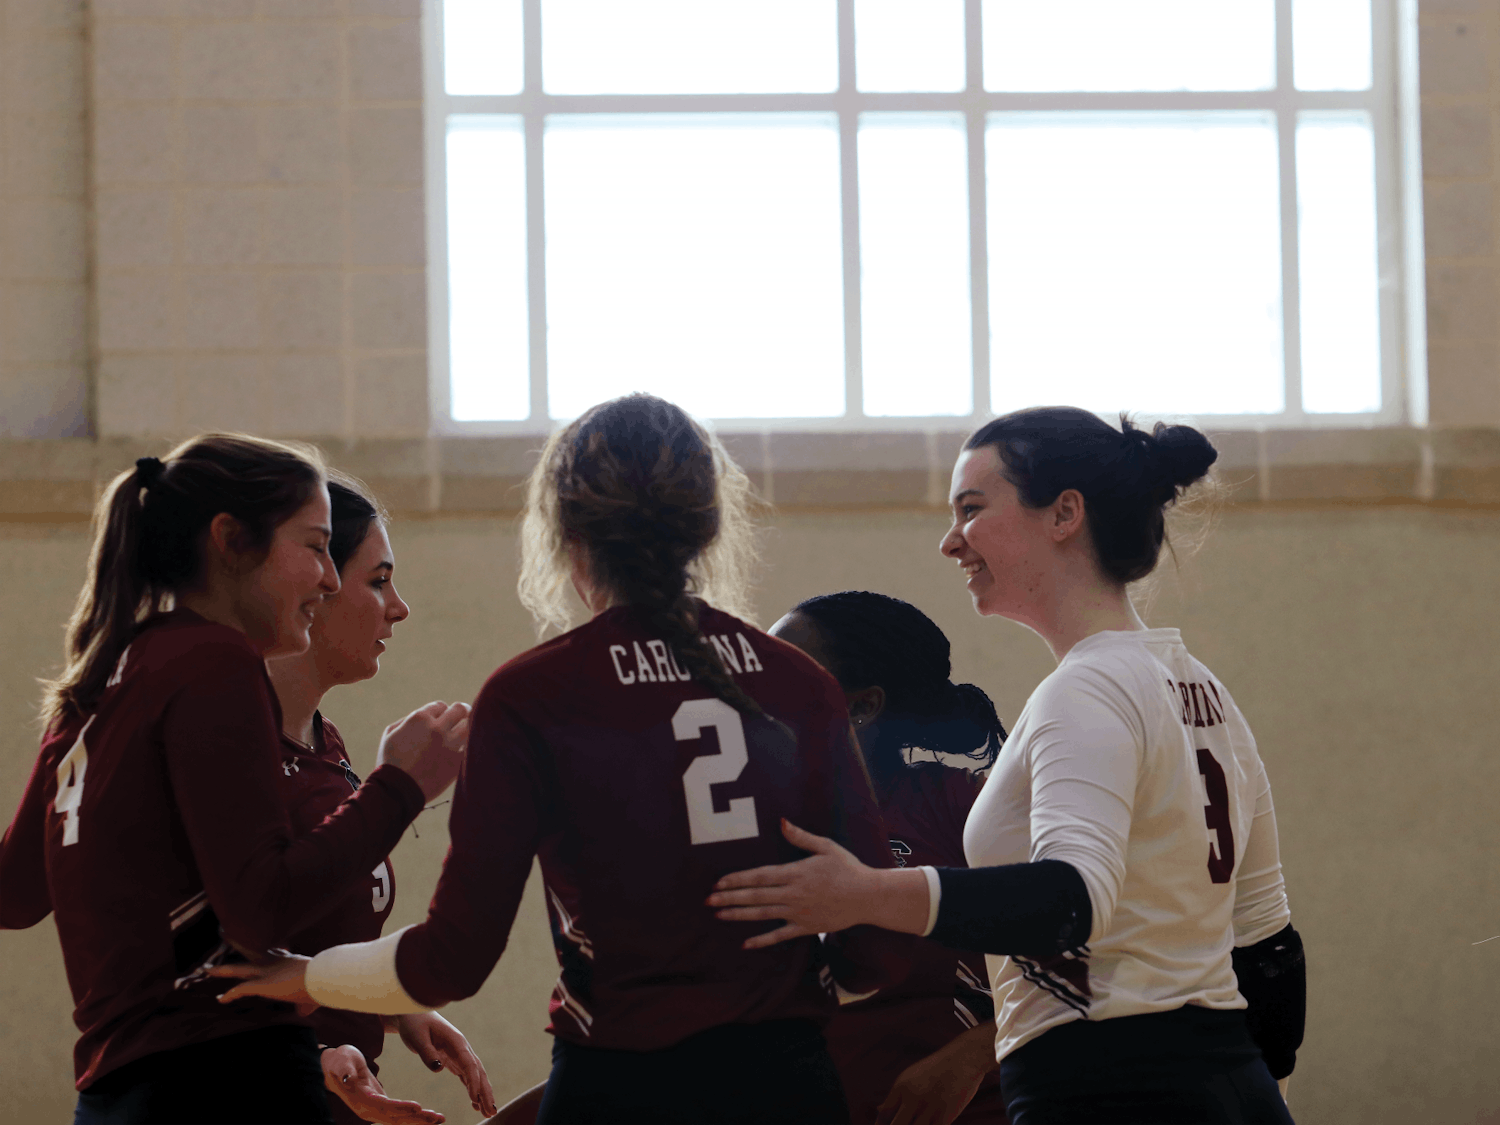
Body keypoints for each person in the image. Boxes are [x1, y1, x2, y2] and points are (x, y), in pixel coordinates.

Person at [210, 394, 913, 1125]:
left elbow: (454, 958)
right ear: (709, 524)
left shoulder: (533, 694)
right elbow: (877, 944)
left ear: (564, 529)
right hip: (782, 1081)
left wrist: (306, 975)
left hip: (614, 1084)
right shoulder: (798, 681)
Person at [708, 408, 1305, 1125]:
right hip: (1221, 1081)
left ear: (1064, 514)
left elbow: (1069, 900)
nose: (949, 540)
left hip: (1117, 1087)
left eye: (971, 508)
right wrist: (1252, 1090)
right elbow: (1269, 942)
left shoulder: (1084, 690)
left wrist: (864, 892)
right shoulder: (1203, 689)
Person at [0, 434, 470, 1125]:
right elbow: (262, 909)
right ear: (230, 541)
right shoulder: (214, 659)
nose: (328, 579)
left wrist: (380, 1002)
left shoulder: (103, 676)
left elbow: (15, 891)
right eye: (315, 548)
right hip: (222, 1082)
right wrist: (399, 786)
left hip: (115, 1092)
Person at [266, 474, 497, 1125]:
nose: (399, 607)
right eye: (379, 580)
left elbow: (313, 932)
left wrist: (392, 1004)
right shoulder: (231, 748)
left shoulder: (323, 741)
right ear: (314, 582)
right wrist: (305, 1057)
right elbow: (194, 971)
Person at [768, 591, 1009, 1125]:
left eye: (782, 676)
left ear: (862, 707)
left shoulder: (967, 795)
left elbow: (1098, 952)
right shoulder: (765, 804)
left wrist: (970, 1058)